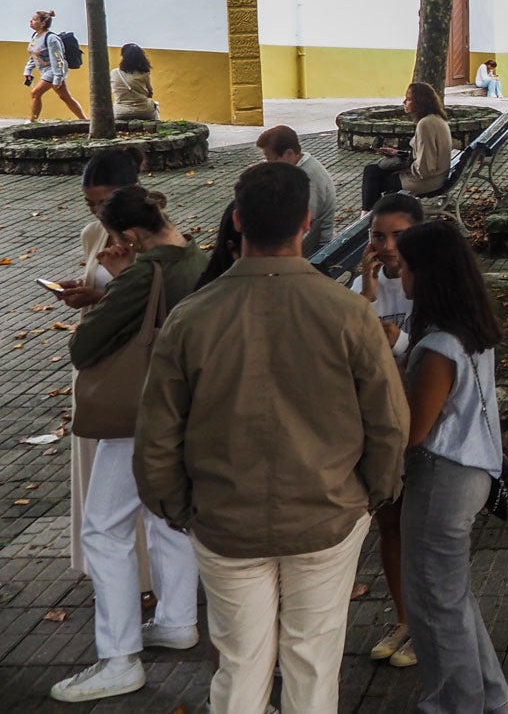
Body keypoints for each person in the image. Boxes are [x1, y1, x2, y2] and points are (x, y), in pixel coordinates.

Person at [135, 163, 409, 714]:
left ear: (237, 221)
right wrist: (370, 495)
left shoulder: (191, 319)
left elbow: (157, 437)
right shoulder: (350, 314)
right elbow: (388, 423)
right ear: (306, 222)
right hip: (328, 514)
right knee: (313, 660)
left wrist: (179, 506)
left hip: (224, 518)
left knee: (238, 664)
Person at [52, 186, 206, 703]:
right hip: (191, 409)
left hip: (141, 416)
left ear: (133, 234)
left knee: (103, 530)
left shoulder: (144, 271)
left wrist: (116, 286)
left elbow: (85, 344)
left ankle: (119, 657)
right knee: (168, 518)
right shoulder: (200, 260)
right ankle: (178, 618)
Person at [395, 221, 508, 712]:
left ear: (424, 274)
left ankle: (453, 704)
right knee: (453, 599)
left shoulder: (438, 347)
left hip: (442, 478)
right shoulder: (470, 330)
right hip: (476, 470)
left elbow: (412, 430)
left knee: (433, 606)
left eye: (402, 268)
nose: (398, 278)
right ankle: (489, 699)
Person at [56, 150, 144, 583]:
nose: (98, 213)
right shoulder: (94, 234)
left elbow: (155, 304)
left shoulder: (151, 241)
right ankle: (109, 573)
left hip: (133, 372)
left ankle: (147, 580)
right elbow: (99, 282)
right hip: (95, 366)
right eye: (90, 204)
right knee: (99, 480)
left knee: (136, 483)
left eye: (105, 203)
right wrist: (81, 289)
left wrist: (101, 298)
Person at [347, 193, 425, 669]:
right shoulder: (365, 286)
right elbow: (354, 351)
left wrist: (399, 341)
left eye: (399, 235)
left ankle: (428, 623)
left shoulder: (433, 282)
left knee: (425, 529)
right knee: (390, 524)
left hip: (423, 420)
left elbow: (448, 351)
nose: (388, 245)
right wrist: (368, 294)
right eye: (379, 235)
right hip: (381, 424)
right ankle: (403, 617)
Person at [360, 82, 453, 211]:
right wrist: (398, 153)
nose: (404, 102)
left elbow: (426, 169)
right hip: (437, 176)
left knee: (372, 176)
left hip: (427, 182)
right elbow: (426, 154)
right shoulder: (436, 119)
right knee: (372, 171)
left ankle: (368, 219)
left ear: (420, 102)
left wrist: (402, 170)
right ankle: (370, 215)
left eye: (409, 99)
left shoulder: (425, 124)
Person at [256, 125, 335, 255]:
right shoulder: (294, 168)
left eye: (270, 160)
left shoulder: (309, 177)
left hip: (314, 244)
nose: (267, 165)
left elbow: (303, 224)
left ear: (289, 154)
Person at [24, 10, 85, 121]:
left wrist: (57, 78)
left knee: (35, 93)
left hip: (53, 70)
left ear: (42, 23)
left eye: (34, 19)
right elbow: (33, 54)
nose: (31, 21)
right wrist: (28, 70)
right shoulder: (36, 36)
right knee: (65, 97)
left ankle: (32, 121)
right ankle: (84, 120)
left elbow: (58, 59)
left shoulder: (52, 38)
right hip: (44, 70)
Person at [111, 43, 158, 120]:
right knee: (155, 109)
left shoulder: (114, 73)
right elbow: (150, 94)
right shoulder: (144, 73)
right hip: (145, 111)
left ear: (123, 56)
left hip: (120, 112)